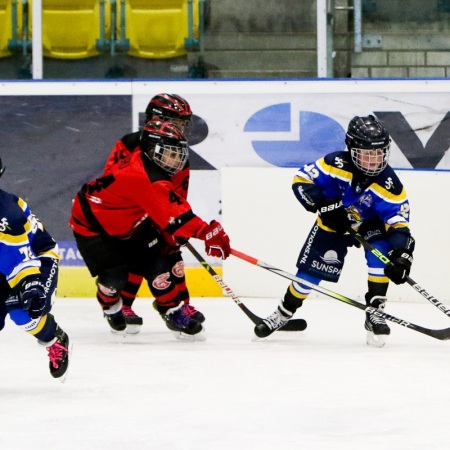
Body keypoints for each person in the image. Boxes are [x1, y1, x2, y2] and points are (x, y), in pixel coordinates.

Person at [256, 115, 414, 347]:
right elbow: (300, 180)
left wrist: (402, 253)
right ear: (351, 149)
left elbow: (398, 221)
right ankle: (284, 312)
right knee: (309, 275)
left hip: (370, 224)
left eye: (379, 154)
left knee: (381, 255)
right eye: (368, 155)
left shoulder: (390, 184)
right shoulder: (335, 163)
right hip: (334, 221)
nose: (374, 161)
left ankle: (375, 311)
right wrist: (324, 205)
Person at [69, 120, 231, 340]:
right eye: (171, 154)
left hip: (133, 221)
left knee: (158, 265)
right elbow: (178, 217)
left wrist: (202, 231)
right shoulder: (143, 177)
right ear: (153, 151)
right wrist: (208, 232)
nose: (177, 160)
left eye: (178, 154)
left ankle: (172, 311)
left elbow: (173, 208)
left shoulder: (152, 167)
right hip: (94, 226)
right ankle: (111, 308)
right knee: (114, 279)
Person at [102, 93, 203, 334]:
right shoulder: (129, 143)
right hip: (131, 215)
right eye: (179, 122)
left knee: (172, 254)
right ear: (158, 118)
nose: (182, 129)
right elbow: (112, 179)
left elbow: (178, 191)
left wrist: (177, 220)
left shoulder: (177, 150)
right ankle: (124, 305)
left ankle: (180, 305)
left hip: (161, 213)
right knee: (137, 258)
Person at [0, 159, 70, 378]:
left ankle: (54, 337)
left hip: (36, 260)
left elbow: (17, 260)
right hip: (6, 263)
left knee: (24, 312)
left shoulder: (7, 214)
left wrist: (31, 286)